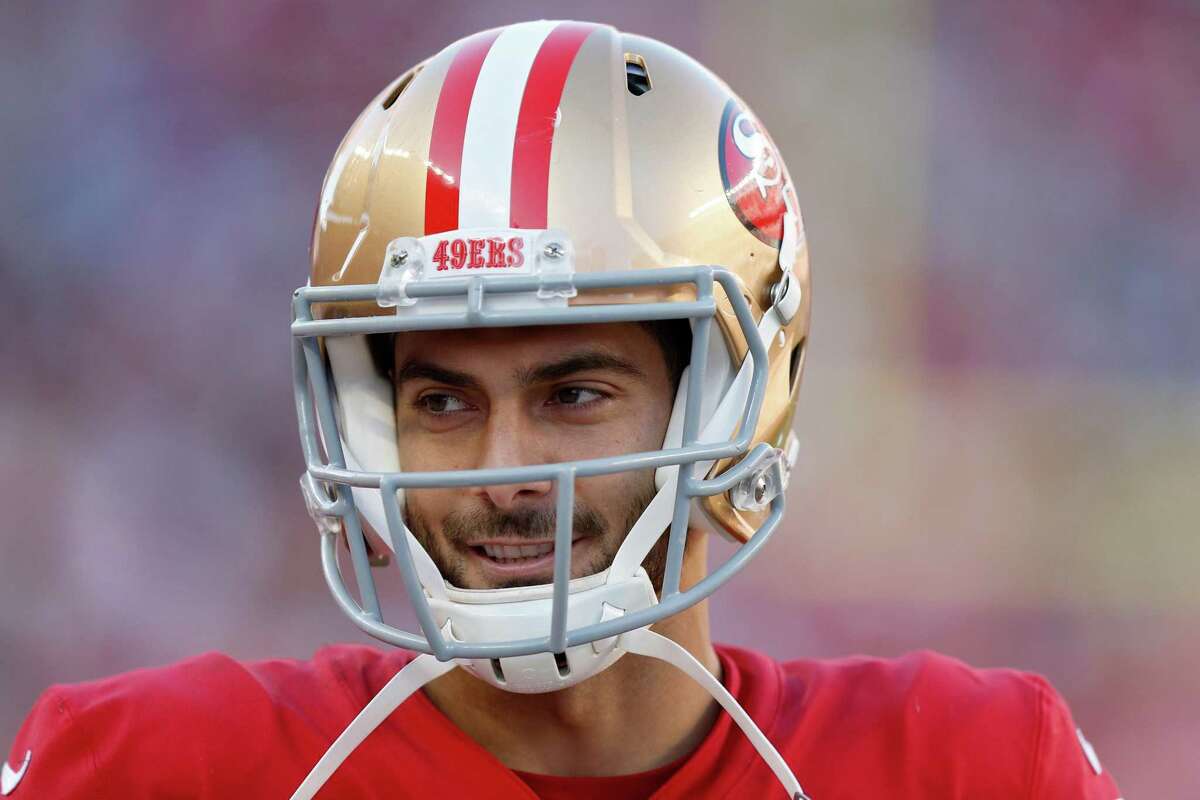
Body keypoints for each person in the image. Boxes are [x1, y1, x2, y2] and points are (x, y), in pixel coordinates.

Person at [4, 20, 1120, 799]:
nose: (503, 467)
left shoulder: (972, 765)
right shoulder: (150, 767)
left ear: (730, 397)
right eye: (441, 398)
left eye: (574, 392)